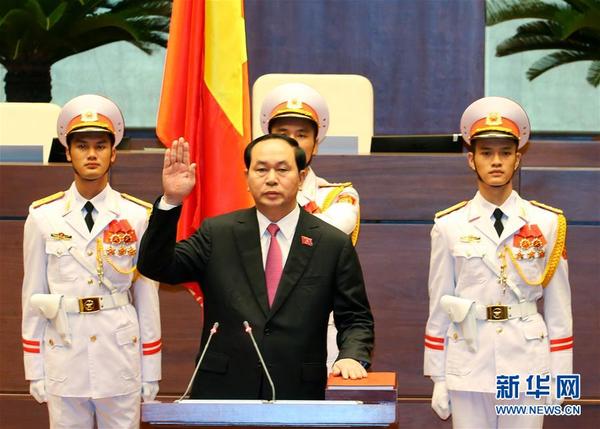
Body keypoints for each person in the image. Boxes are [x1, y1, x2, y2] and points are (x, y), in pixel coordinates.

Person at [138, 134, 374, 400]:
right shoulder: (218, 233)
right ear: (247, 177)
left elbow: (356, 318)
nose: (271, 178)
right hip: (223, 391)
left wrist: (351, 356)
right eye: (261, 169)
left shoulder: (331, 243)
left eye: (282, 169)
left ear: (301, 177)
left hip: (298, 392)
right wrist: (171, 201)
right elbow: (157, 267)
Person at [423, 96, 573, 429]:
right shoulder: (449, 225)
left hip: (527, 361)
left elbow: (559, 308)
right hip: (469, 360)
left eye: (505, 153)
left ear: (517, 159)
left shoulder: (547, 223)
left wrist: (561, 374)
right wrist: (438, 376)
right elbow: (440, 303)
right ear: (471, 160)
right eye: (486, 153)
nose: (496, 161)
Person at [21, 94, 161, 429]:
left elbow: (147, 297)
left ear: (114, 153)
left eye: (101, 145)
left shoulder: (137, 215)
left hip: (119, 353)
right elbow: (33, 295)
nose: (92, 154)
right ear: (68, 152)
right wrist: (34, 367)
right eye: (82, 146)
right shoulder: (43, 216)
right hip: (64, 350)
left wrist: (151, 367)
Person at [260, 83, 360, 371]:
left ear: (315, 145)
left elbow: (320, 237)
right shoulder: (246, 196)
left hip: (318, 332)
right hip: (257, 330)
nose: (291, 142)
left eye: (302, 135)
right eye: (283, 134)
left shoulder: (338, 196)